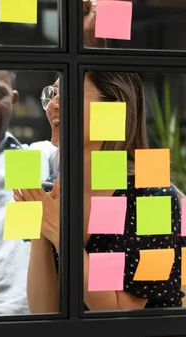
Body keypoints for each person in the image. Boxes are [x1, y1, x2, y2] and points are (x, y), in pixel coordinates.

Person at [20, 71, 184, 312]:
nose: (53, 105)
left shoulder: (153, 197)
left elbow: (121, 314)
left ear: (114, 107)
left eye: (67, 94)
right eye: (53, 93)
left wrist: (60, 234)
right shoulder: (52, 191)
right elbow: (44, 311)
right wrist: (42, 232)